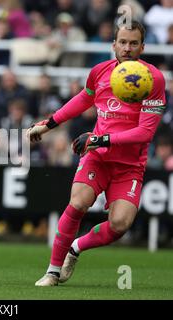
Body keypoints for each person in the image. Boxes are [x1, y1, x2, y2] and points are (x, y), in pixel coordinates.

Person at [27, 20, 166, 286]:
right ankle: (53, 271)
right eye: (122, 42)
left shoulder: (153, 80)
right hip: (97, 157)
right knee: (78, 202)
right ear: (113, 44)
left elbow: (144, 133)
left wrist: (100, 138)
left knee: (120, 225)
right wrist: (49, 123)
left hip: (129, 164)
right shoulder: (100, 71)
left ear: (143, 47)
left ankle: (76, 247)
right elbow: (83, 98)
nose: (127, 48)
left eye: (133, 43)